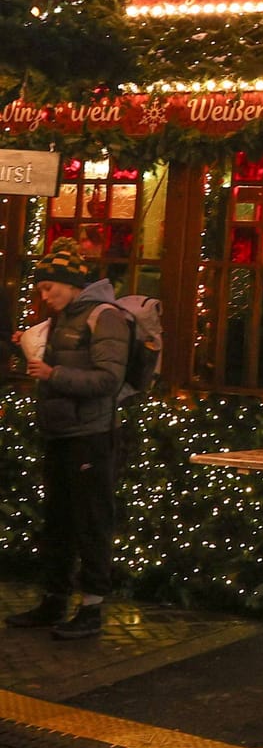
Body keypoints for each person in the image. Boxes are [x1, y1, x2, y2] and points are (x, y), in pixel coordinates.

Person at [5, 241, 129, 639]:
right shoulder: (63, 319)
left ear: (71, 284)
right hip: (59, 433)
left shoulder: (104, 316)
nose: (44, 296)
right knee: (58, 521)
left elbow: (108, 379)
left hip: (90, 436)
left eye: (48, 288)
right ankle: (54, 599)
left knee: (90, 521)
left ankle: (91, 610)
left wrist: (53, 374)